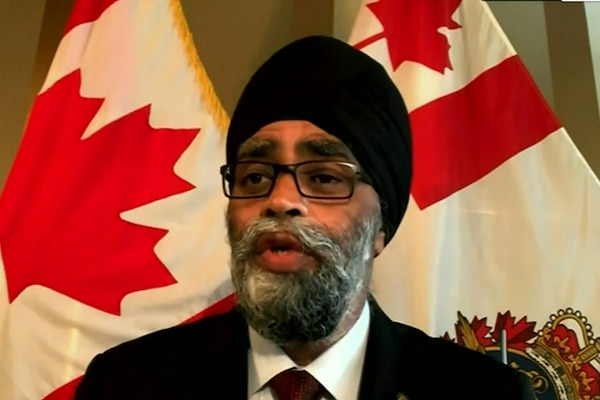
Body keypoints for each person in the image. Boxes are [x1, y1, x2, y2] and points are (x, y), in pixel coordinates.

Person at [74, 36, 535, 400]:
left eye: (324, 178)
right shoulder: (126, 385)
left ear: (380, 226)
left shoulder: (482, 393)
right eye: (255, 176)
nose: (280, 200)